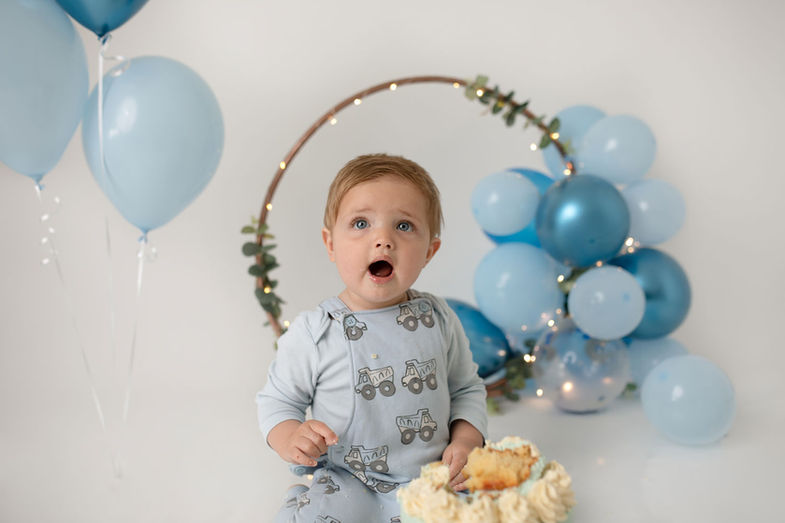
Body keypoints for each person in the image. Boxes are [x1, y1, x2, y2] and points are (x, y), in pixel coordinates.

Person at [256, 153, 488, 522]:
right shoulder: (316, 331)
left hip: (431, 478)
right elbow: (278, 402)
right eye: (361, 223)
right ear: (330, 244)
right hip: (349, 478)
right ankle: (300, 501)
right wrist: (290, 437)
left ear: (430, 251)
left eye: (404, 226)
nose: (383, 240)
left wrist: (466, 441)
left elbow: (466, 390)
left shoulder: (439, 318)